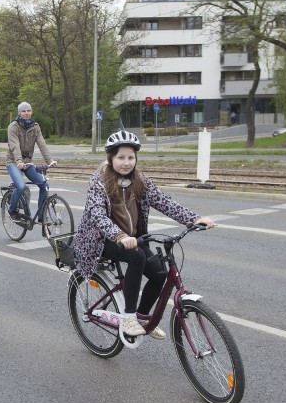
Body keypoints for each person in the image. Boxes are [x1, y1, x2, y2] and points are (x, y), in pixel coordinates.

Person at [72, 130, 215, 340]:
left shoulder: (140, 180)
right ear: (110, 158)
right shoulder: (99, 181)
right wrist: (119, 235)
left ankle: (140, 316)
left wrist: (193, 218)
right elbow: (98, 216)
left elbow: (164, 201)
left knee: (160, 274)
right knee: (136, 256)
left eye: (131, 157)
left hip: (133, 238)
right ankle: (129, 317)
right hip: (101, 239)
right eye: (121, 157)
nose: (126, 162)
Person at [6, 101, 56, 223]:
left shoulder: (35, 126)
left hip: (27, 162)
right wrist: (18, 161)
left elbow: (42, 144)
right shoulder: (13, 126)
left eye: (28, 110)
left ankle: (41, 216)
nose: (26, 113)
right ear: (19, 113)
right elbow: (15, 146)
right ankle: (12, 211)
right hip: (13, 162)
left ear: (31, 112)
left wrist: (50, 160)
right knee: (21, 186)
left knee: (44, 184)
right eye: (23, 111)